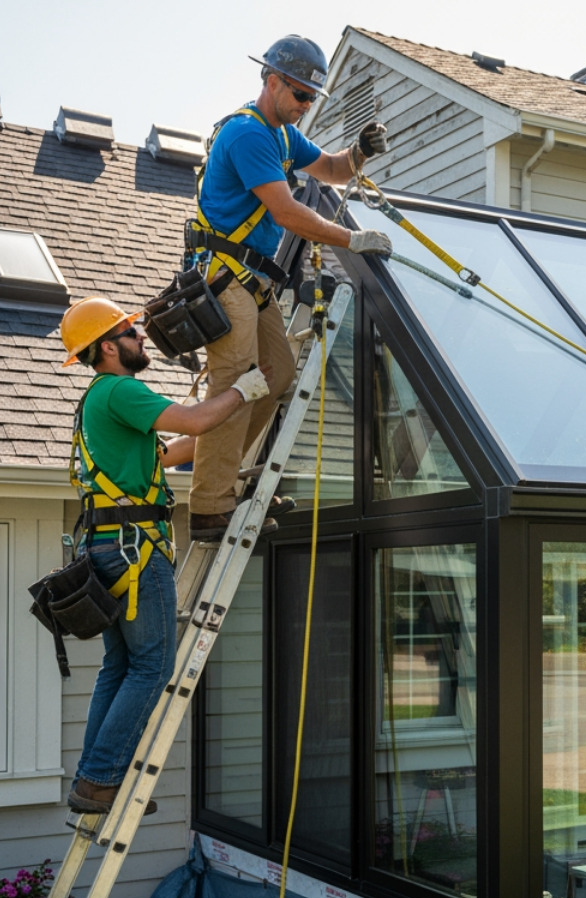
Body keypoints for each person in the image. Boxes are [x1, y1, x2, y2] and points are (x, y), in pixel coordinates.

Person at [59, 297, 272, 814]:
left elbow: (173, 449)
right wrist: (243, 390)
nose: (140, 338)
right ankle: (104, 776)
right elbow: (195, 422)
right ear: (108, 347)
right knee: (153, 667)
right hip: (134, 549)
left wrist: (232, 429)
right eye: (130, 333)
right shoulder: (121, 389)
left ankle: (93, 780)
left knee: (120, 665)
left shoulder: (95, 400)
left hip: (105, 545)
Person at [188, 34, 394, 541]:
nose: (305, 106)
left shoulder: (281, 135)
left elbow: (329, 168)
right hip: (225, 276)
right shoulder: (249, 134)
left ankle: (227, 483)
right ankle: (211, 506)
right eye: (300, 95)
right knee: (236, 385)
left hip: (252, 280)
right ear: (272, 81)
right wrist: (351, 238)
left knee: (276, 375)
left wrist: (359, 152)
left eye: (311, 99)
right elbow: (285, 211)